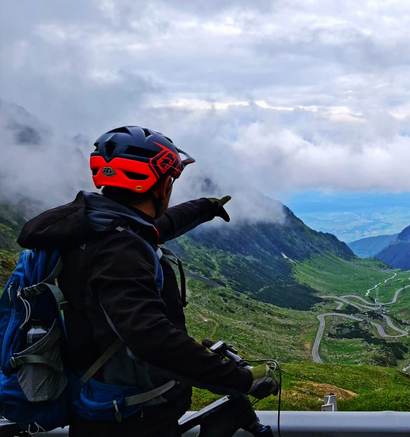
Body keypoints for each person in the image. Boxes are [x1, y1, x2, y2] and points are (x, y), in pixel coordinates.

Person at [16, 126, 278, 437]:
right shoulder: (119, 251)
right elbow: (151, 339)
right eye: (171, 180)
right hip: (131, 420)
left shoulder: (96, 228)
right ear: (160, 184)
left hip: (107, 408)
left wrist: (204, 208)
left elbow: (154, 227)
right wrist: (241, 379)